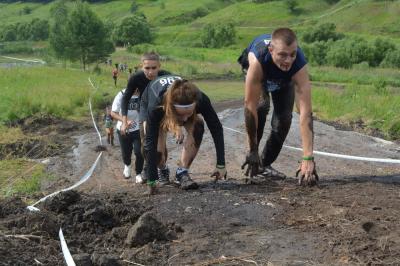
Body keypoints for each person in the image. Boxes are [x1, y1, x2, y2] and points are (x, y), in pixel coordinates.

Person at [239, 27, 318, 186]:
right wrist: (252, 149)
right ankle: (253, 157)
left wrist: (308, 158)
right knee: (261, 106)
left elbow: (305, 113)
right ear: (271, 50)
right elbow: (250, 107)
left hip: (284, 79)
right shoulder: (258, 60)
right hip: (262, 73)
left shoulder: (299, 65)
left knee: (284, 119)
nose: (288, 60)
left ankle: (264, 164)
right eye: (282, 55)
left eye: (292, 54)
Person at [141, 75, 227, 195]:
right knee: (156, 153)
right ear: (170, 109)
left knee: (198, 126)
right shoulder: (156, 105)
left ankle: (182, 172)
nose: (185, 119)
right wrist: (151, 181)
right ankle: (161, 169)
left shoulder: (202, 99)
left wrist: (221, 164)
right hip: (153, 103)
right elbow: (150, 142)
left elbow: (216, 128)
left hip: (175, 107)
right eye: (180, 115)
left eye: (189, 113)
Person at [120, 52, 171, 182]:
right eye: (147, 68)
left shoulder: (166, 76)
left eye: (154, 68)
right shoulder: (136, 78)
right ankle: (148, 167)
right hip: (144, 111)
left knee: (160, 145)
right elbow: (125, 99)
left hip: (162, 112)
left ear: (159, 66)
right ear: (141, 66)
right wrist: (124, 122)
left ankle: (162, 168)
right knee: (146, 145)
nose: (150, 72)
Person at [111, 88, 144, 182]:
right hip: (123, 128)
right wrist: (125, 121)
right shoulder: (121, 94)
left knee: (139, 152)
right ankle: (127, 165)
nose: (136, 89)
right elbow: (113, 113)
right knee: (126, 152)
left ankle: (138, 173)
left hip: (138, 128)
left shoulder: (143, 93)